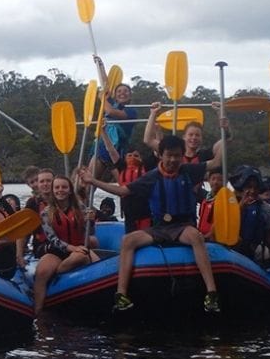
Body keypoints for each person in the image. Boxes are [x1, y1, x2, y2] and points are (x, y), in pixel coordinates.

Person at [80, 133, 223, 314]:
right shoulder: (151, 177)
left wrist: (226, 135)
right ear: (161, 155)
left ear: (181, 155)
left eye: (177, 155)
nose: (173, 159)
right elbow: (123, 190)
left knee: (195, 237)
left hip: (182, 227)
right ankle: (121, 294)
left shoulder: (189, 170)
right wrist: (93, 181)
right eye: (169, 155)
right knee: (128, 241)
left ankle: (211, 292)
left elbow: (216, 162)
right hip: (159, 228)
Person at [31, 176, 99, 313]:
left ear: (70, 191)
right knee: (42, 272)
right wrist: (72, 248)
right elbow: (52, 239)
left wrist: (90, 222)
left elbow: (89, 232)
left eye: (64, 187)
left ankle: (60, 272)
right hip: (58, 250)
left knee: (81, 257)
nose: (60, 190)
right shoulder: (46, 213)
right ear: (53, 190)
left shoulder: (81, 208)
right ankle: (38, 312)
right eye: (57, 187)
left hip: (79, 247)